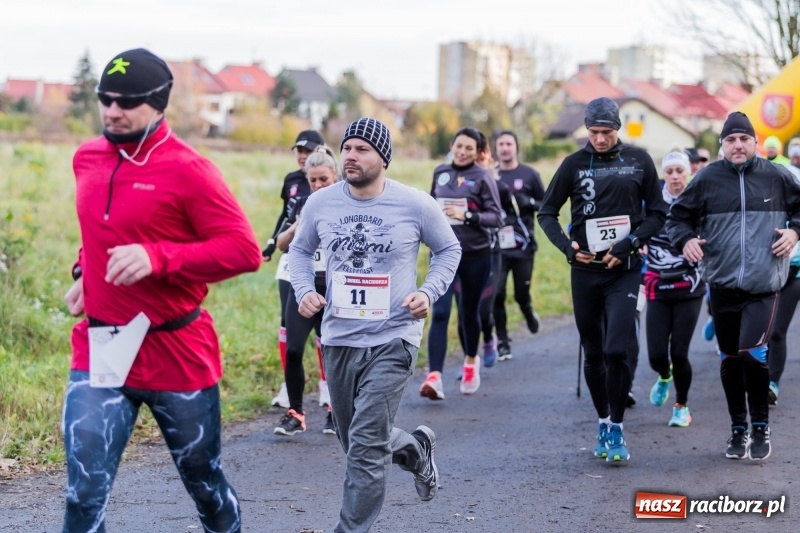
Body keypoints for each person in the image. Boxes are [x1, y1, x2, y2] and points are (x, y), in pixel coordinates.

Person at [61, 48, 261, 532]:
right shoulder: (86, 157)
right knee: (83, 494)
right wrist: (85, 271)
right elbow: (101, 230)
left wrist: (158, 257)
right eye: (104, 99)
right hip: (102, 348)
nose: (111, 110)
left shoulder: (189, 170)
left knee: (204, 483)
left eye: (125, 102)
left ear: (158, 104)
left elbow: (243, 250)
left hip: (176, 351)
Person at [289, 118, 461, 532]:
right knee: (358, 444)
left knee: (365, 450)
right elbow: (299, 251)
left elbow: (448, 249)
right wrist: (302, 290)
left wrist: (428, 292)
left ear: (383, 157)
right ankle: (416, 449)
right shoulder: (321, 203)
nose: (350, 155)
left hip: (393, 337)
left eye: (362, 149)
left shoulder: (415, 204)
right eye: (346, 147)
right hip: (339, 339)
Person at [538, 97, 668, 463]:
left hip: (622, 272)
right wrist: (566, 247)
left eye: (606, 132)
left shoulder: (639, 161)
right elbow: (546, 212)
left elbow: (658, 213)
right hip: (585, 272)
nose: (599, 139)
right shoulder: (573, 164)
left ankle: (618, 427)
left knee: (616, 349)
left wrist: (630, 243)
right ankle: (602, 420)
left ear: (617, 129)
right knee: (594, 352)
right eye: (593, 132)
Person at [666, 111, 800, 461]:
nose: (738, 145)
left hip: (763, 284)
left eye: (744, 139)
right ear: (722, 145)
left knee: (750, 353)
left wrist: (794, 231)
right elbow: (678, 217)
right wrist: (685, 242)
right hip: (722, 284)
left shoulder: (776, 176)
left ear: (755, 142)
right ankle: (738, 428)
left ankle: (760, 424)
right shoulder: (707, 179)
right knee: (729, 360)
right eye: (730, 140)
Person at [422, 127, 503, 399]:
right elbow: (431, 207)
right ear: (451, 145)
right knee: (441, 312)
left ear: (478, 152)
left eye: (469, 148)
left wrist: (467, 215)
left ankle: (470, 361)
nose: (463, 152)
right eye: (459, 146)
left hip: (474, 254)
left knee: (469, 313)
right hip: (443, 254)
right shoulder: (440, 172)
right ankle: (434, 377)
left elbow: (496, 217)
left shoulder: (483, 177)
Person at [273, 145, 339, 436]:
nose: (318, 185)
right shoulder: (306, 206)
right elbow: (282, 243)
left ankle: (335, 411)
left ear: (335, 176)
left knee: (334, 351)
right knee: (295, 349)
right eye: (313, 180)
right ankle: (296, 413)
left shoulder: (346, 204)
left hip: (335, 287)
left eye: (323, 179)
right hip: (303, 284)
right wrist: (298, 225)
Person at [264, 129, 330, 410]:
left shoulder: (331, 181)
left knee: (323, 331)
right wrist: (270, 242)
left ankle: (328, 389)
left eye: (308, 150)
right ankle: (288, 388)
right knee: (288, 322)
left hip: (324, 268)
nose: (303, 156)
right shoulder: (292, 179)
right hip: (292, 259)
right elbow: (285, 214)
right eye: (299, 151)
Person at [644, 150, 705, 427]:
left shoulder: (698, 201)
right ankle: (664, 375)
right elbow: (636, 227)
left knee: (679, 352)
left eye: (680, 171)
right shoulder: (652, 203)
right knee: (657, 354)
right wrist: (638, 240)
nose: (675, 177)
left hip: (689, 285)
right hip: (657, 283)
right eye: (670, 172)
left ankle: (681, 406)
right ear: (663, 175)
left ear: (688, 173)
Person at [493, 131, 546, 360]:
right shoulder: (489, 175)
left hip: (523, 246)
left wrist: (530, 203)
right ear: (496, 148)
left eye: (509, 144)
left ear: (516, 147)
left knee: (520, 293)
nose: (505, 148)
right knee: (497, 293)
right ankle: (503, 342)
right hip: (497, 245)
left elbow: (546, 205)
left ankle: (528, 312)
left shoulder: (529, 174)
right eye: (501, 144)